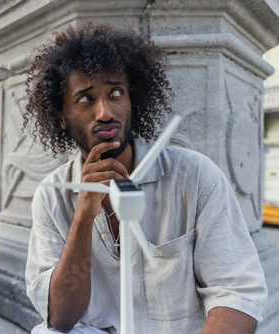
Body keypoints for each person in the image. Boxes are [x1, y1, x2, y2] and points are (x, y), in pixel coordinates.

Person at [24, 22, 268, 334]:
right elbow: (59, 318)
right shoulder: (52, 195)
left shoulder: (195, 176)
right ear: (60, 117)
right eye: (85, 98)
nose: (105, 112)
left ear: (131, 100)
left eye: (116, 93)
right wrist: (84, 216)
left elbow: (237, 292)